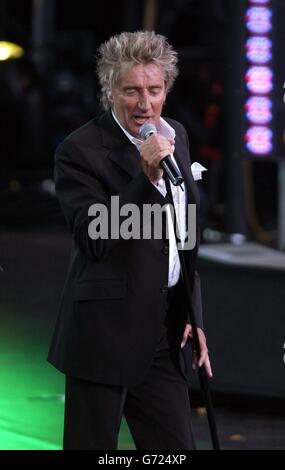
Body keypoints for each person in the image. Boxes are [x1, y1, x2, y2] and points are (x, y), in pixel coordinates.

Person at [48, 30, 212, 450]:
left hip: (163, 334)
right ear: (109, 92)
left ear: (167, 89)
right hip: (104, 336)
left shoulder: (175, 132)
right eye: (132, 91)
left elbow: (183, 233)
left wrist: (192, 312)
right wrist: (146, 178)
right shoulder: (80, 151)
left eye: (154, 90)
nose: (145, 104)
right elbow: (94, 237)